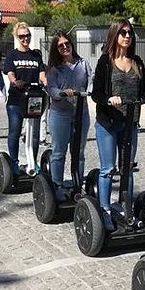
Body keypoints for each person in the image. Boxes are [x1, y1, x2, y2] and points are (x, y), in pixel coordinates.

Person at [91, 19, 145, 230]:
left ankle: (125, 207)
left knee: (127, 168)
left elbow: (144, 87)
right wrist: (109, 99)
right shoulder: (105, 61)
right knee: (108, 169)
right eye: (123, 33)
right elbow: (96, 94)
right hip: (108, 123)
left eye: (130, 33)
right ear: (115, 35)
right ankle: (104, 210)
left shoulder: (136, 61)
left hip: (130, 123)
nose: (127, 36)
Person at [46, 31, 93, 202]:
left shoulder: (83, 64)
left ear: (72, 44)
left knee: (79, 152)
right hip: (60, 114)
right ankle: (57, 186)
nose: (65, 47)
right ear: (56, 49)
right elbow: (51, 88)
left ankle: (77, 185)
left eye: (67, 43)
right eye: (60, 45)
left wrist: (92, 92)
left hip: (81, 112)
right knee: (59, 152)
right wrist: (61, 92)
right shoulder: (54, 69)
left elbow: (92, 80)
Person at [2, 22, 47, 174]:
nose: (25, 39)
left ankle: (32, 162)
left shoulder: (36, 55)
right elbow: (9, 73)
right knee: (15, 131)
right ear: (17, 37)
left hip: (33, 98)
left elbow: (41, 73)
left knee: (34, 133)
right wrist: (15, 81)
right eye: (22, 36)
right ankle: (14, 162)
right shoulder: (12, 55)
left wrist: (45, 81)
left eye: (27, 35)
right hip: (16, 99)